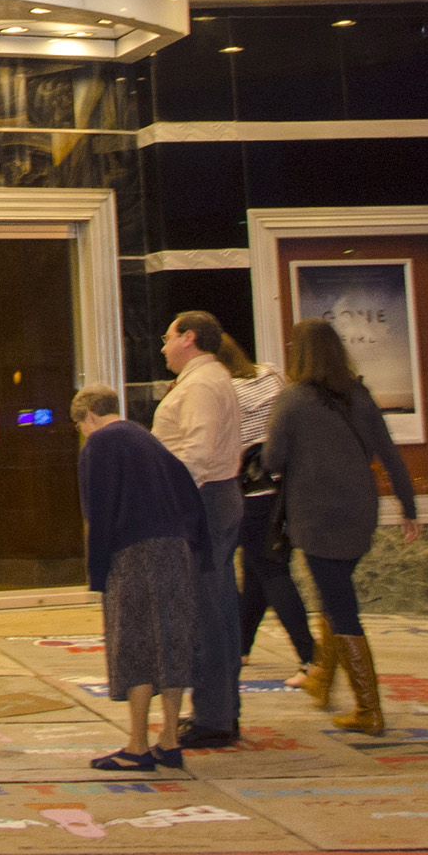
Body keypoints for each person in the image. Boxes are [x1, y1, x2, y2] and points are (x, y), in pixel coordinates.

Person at [262, 319, 418, 733]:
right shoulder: (359, 395)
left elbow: (273, 460)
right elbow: (389, 454)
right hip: (360, 512)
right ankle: (322, 682)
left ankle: (369, 710)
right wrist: (409, 506)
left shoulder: (291, 400)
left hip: (317, 515)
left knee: (341, 606)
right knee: (335, 594)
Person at [72, 387, 206, 773]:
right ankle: (170, 738)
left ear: (89, 417)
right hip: (175, 547)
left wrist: (96, 571)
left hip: (132, 552)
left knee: (135, 642)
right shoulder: (148, 439)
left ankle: (136, 745)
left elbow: (98, 510)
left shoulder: (100, 445)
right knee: (171, 639)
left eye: (80, 426)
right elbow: (186, 492)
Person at [150, 310, 246, 747]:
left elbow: (198, 450)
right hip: (212, 497)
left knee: (206, 610)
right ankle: (221, 709)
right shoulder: (209, 379)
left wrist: (167, 497)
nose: (163, 347)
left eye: (168, 338)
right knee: (217, 606)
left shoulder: (203, 383)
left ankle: (213, 716)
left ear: (189, 338)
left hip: (202, 500)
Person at [232, 344, 315, 685]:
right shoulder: (270, 376)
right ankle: (241, 647)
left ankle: (311, 657)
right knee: (257, 570)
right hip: (282, 491)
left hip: (249, 493)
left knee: (270, 570)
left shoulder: (225, 391)